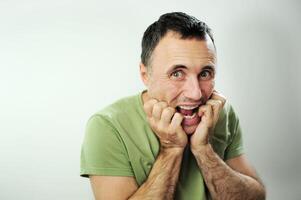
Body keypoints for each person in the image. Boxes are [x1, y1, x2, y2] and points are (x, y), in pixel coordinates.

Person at [80, 12, 266, 200]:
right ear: (145, 74)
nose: (196, 94)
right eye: (177, 73)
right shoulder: (107, 126)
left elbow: (255, 198)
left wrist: (204, 150)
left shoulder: (221, 112)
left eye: (205, 73)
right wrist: (171, 149)